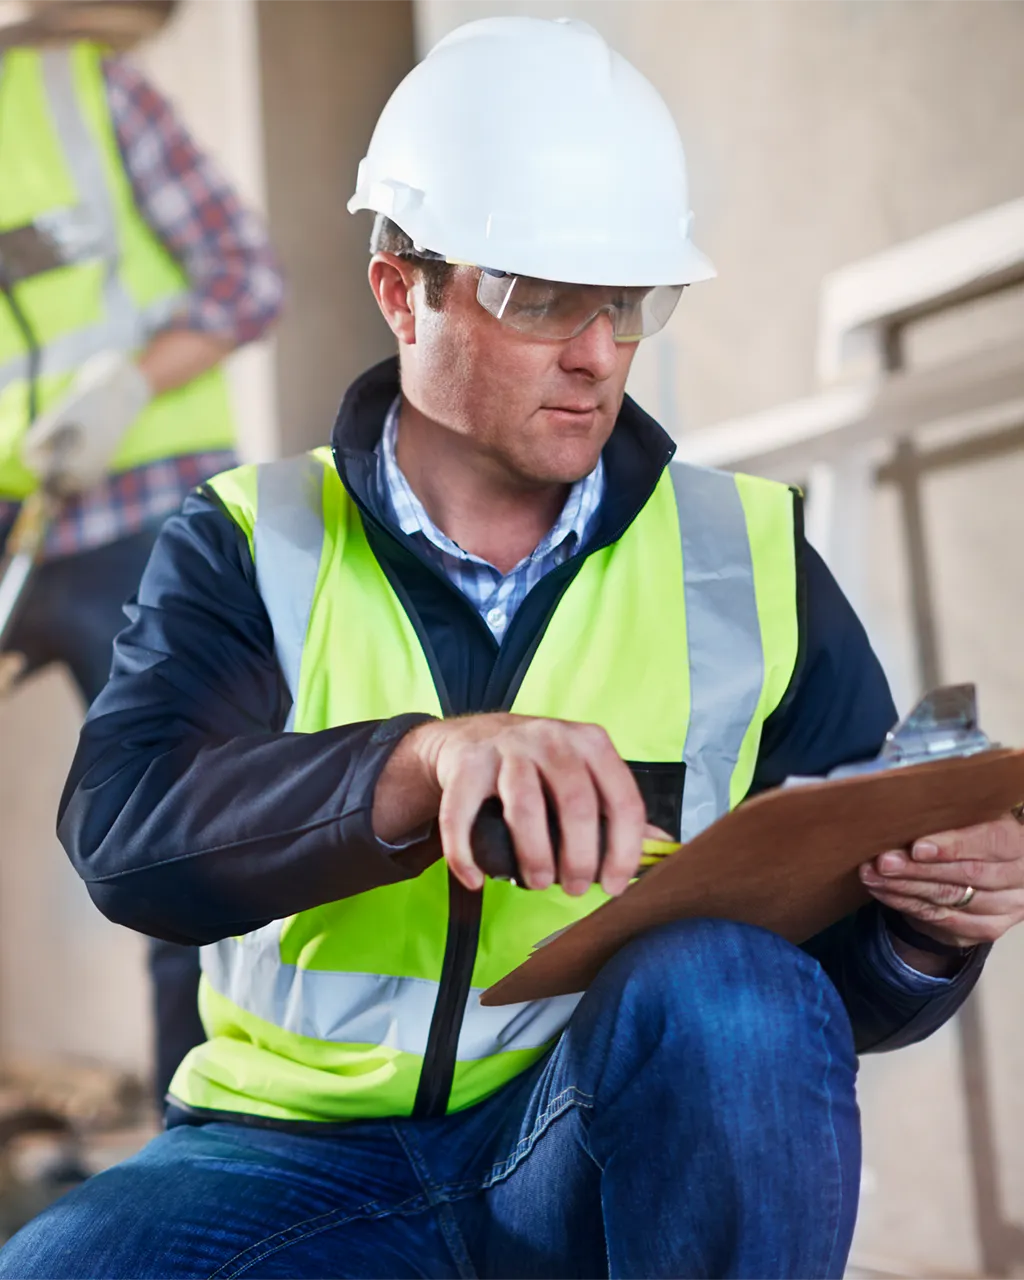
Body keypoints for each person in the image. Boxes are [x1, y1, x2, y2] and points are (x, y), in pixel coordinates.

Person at [4, 16, 1023, 1279]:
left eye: (627, 302)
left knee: (730, 987)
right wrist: (417, 766)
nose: (596, 353)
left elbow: (802, 1019)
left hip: (581, 1147)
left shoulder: (746, 557)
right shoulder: (250, 540)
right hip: (290, 1163)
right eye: (539, 296)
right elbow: (128, 836)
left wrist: (926, 931)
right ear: (401, 289)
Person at [0, 8, 284, 1105]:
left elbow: (244, 279)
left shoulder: (82, 91)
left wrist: (125, 386)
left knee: (185, 847)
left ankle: (199, 1131)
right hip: (13, 529)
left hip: (141, 519)